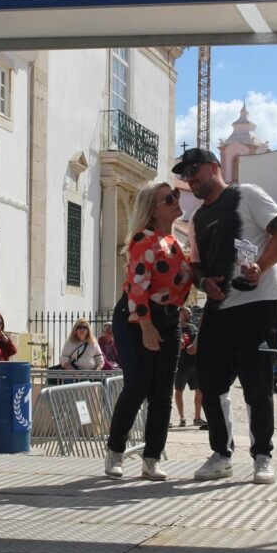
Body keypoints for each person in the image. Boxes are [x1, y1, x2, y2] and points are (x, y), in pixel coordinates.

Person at [176, 148, 277, 485]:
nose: (189, 178)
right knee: (210, 383)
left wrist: (260, 267)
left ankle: (262, 455)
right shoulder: (196, 219)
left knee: (257, 385)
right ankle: (221, 454)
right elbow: (196, 266)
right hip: (218, 309)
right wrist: (204, 283)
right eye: (185, 173)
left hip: (260, 304)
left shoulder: (248, 195)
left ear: (214, 167)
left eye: (194, 170)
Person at [105, 182, 192, 481]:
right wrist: (146, 326)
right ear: (154, 210)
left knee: (163, 394)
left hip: (168, 320)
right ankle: (115, 451)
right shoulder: (144, 240)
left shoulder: (175, 242)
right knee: (138, 385)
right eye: (169, 198)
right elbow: (137, 287)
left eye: (175, 195)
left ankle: (152, 458)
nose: (176, 200)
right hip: (136, 318)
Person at [174, 307, 205, 428]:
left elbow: (197, 343)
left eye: (190, 313)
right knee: (179, 391)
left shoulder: (193, 327)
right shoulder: (175, 327)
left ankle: (197, 417)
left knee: (199, 390)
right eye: (187, 313)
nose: (190, 314)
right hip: (181, 365)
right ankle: (182, 418)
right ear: (180, 313)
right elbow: (180, 345)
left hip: (194, 364)